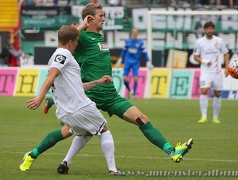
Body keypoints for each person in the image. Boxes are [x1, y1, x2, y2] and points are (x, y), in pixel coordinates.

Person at [56, 2, 193, 174]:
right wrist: (83, 23)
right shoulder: (81, 38)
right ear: (91, 18)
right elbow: (64, 37)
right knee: (70, 131)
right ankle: (38, 154)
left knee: (141, 118)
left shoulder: (99, 38)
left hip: (111, 95)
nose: (104, 18)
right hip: (90, 95)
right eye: (101, 16)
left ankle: (172, 151)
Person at [20, 19, 120, 176]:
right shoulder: (64, 53)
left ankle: (65, 163)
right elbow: (51, 76)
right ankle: (113, 170)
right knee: (104, 130)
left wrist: (97, 82)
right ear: (71, 43)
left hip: (66, 111)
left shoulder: (57, 55)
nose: (76, 45)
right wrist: (40, 97)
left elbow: (76, 86)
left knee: (85, 133)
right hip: (79, 106)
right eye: (76, 42)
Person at [193, 21, 230, 124]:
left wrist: (227, 68)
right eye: (207, 29)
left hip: (217, 72)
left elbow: (226, 54)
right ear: (205, 30)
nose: (209, 30)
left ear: (213, 29)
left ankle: (215, 117)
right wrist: (204, 61)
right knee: (204, 91)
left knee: (217, 93)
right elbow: (195, 57)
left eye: (211, 28)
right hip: (205, 71)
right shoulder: (199, 42)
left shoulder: (219, 41)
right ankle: (203, 116)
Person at [116, 28, 154, 98]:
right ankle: (130, 90)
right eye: (133, 32)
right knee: (124, 78)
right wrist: (120, 60)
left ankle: (134, 94)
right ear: (131, 33)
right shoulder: (127, 42)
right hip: (127, 61)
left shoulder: (140, 43)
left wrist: (148, 62)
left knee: (136, 78)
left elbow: (145, 53)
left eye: (136, 32)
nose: (135, 33)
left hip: (135, 62)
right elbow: (123, 51)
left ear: (137, 33)